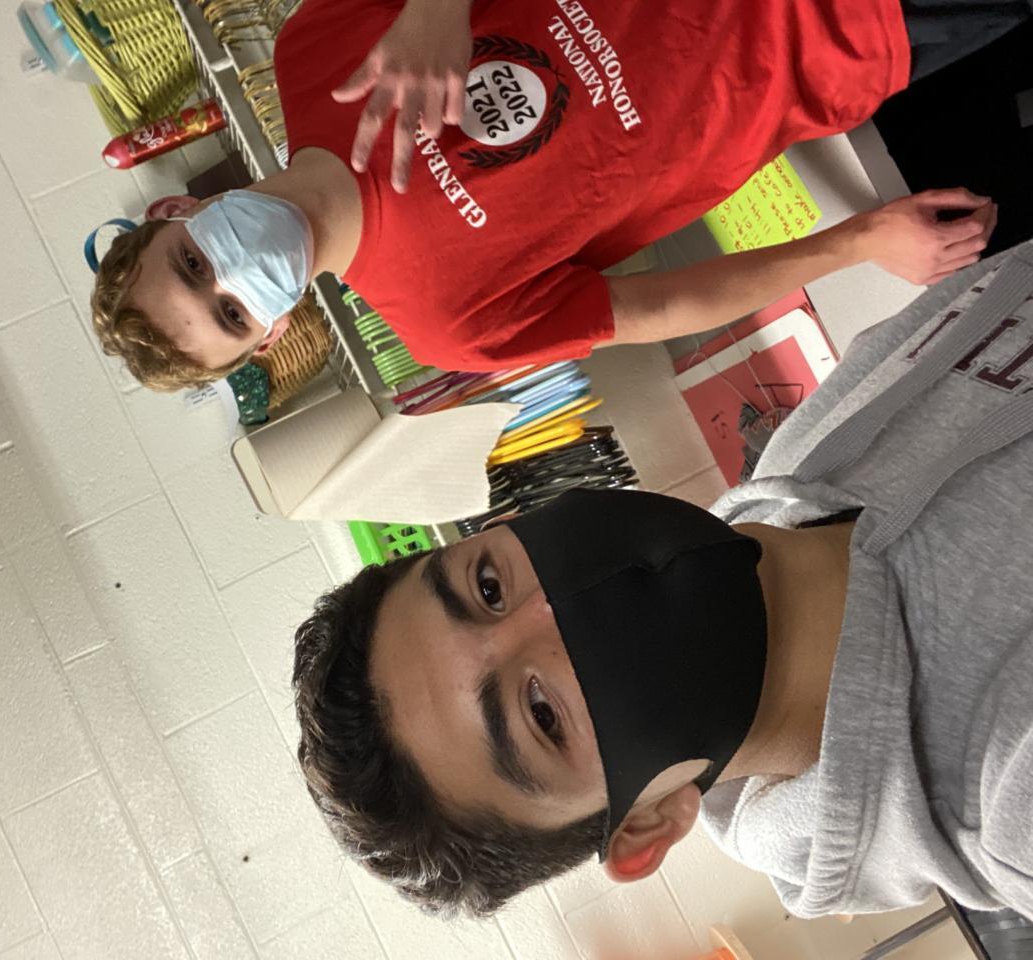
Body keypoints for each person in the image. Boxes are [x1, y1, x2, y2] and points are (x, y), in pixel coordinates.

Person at [291, 240, 1033, 920]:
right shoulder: (1007, 806)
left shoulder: (801, 462)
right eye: (541, 713)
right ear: (645, 825)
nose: (551, 610)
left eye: (488, 588)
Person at [90, 0, 1026, 390]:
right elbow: (662, 306)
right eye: (230, 311)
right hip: (839, 39)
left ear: (178, 211)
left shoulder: (311, 56)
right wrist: (858, 242)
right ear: (267, 337)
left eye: (194, 262)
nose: (234, 273)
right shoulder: (451, 326)